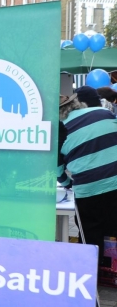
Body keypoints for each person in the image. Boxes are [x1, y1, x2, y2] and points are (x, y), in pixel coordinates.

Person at [58, 85, 117, 273]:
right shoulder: (103, 112)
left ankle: (91, 276)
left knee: (90, 237)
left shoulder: (60, 129)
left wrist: (68, 184)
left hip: (88, 191)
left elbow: (58, 169)